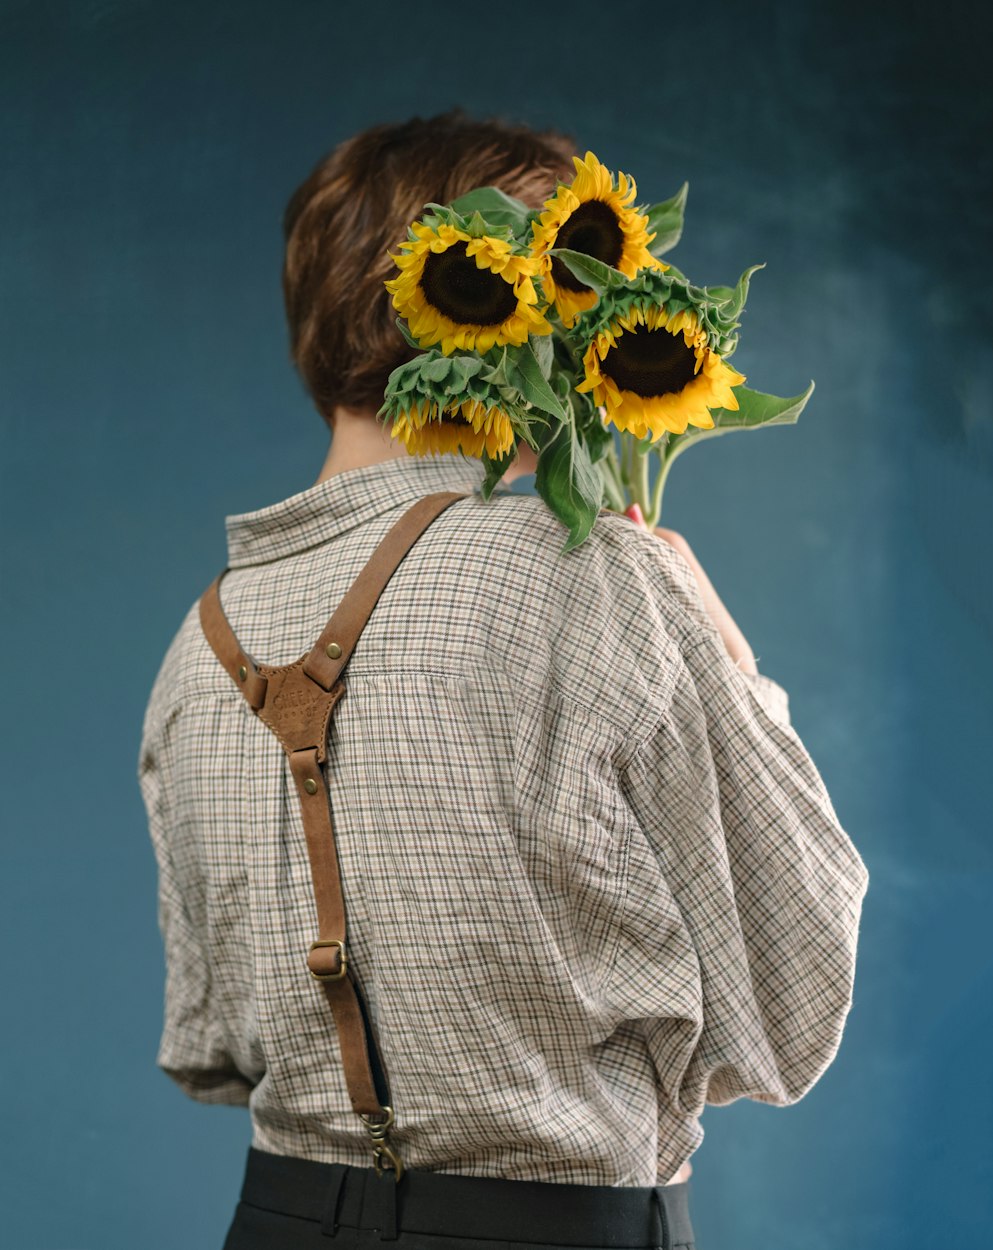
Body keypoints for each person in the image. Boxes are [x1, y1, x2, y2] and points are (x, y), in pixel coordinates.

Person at [137, 110, 870, 1250]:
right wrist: (740, 678)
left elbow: (213, 1045)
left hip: (276, 1220)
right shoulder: (592, 577)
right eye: (582, 281)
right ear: (498, 309)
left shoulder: (197, 642)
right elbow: (788, 1008)